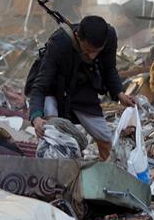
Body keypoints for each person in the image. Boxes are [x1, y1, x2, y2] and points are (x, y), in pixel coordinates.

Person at [28, 15, 136, 160]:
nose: (92, 57)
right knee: (54, 133)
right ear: (78, 37)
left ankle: (111, 176)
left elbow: (110, 69)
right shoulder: (59, 43)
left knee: (106, 140)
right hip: (54, 88)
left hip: (82, 90)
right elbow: (40, 86)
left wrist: (120, 94)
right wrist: (36, 118)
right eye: (87, 51)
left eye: (96, 52)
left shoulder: (109, 37)